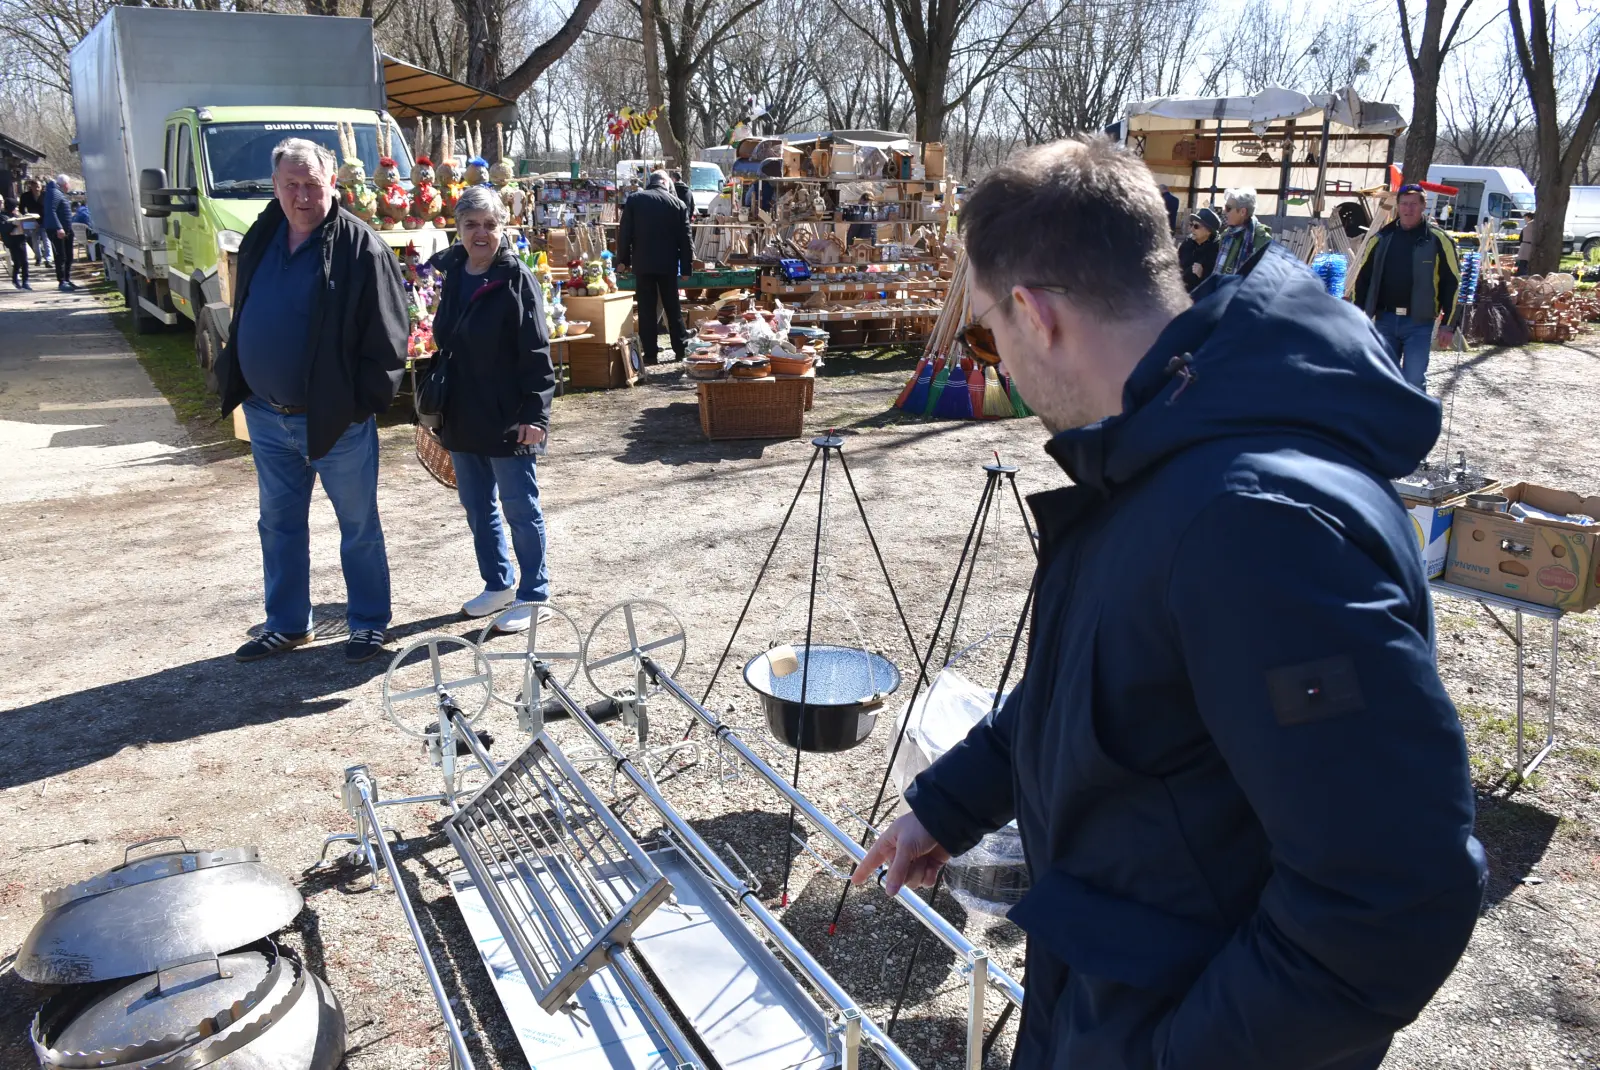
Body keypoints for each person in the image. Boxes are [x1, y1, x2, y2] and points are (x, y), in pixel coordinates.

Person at [852, 136, 1484, 1070]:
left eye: (987, 333)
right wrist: (950, 805)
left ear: (1034, 312)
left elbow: (1389, 898)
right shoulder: (1160, 455)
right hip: (1113, 990)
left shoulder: (1254, 525)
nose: (1001, 361)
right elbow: (1108, 682)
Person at [214, 138, 408, 664]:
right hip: (266, 415)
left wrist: (359, 404)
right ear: (275, 188)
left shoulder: (360, 246)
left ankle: (368, 624)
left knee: (358, 526)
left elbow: (390, 337)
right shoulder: (263, 234)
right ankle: (287, 624)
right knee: (277, 525)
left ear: (332, 185)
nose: (302, 196)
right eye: (290, 185)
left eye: (312, 185)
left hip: (335, 420)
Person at [431, 185, 557, 632]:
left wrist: (535, 414)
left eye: (489, 224)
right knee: (476, 505)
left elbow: (537, 352)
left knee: (520, 507)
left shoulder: (517, 278)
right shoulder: (453, 272)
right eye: (471, 225)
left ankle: (534, 592)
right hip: (463, 411)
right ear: (458, 229)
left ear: (503, 228)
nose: (480, 233)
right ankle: (498, 583)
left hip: (508, 413)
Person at [1352, 183, 1461, 390]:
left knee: (1413, 380)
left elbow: (1452, 282)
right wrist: (1357, 316)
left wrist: (1448, 324)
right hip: (1385, 320)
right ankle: (1386, 422)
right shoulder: (1381, 238)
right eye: (1404, 204)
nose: (1408, 209)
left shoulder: (1438, 240)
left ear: (1423, 207)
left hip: (1419, 324)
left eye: (1413, 204)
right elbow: (1363, 279)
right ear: (1398, 207)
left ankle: (1414, 421)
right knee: (1384, 379)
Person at [617, 169, 692, 364]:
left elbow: (625, 233)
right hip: (668, 263)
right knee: (672, 307)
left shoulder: (635, 200)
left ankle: (650, 353)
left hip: (643, 262)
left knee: (646, 309)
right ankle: (680, 349)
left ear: (651, 182)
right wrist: (686, 268)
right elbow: (685, 239)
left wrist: (622, 261)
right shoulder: (678, 204)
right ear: (667, 183)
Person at [1213, 186, 1271, 275]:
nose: (1224, 212)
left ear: (1242, 212)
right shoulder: (1226, 235)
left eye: (1228, 208)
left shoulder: (1263, 240)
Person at [40, 174, 75, 290]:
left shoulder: (58, 193)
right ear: (65, 184)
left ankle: (67, 279)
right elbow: (51, 211)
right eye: (69, 183)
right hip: (57, 231)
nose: (69, 186)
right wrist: (59, 227)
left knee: (68, 255)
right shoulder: (54, 193)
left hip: (66, 230)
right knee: (61, 256)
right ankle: (62, 281)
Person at [1177, 206, 1221, 293]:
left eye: (1196, 226)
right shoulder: (1187, 243)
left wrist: (1203, 274)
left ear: (1209, 231)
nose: (1191, 229)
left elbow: (1216, 282)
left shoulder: (1216, 250)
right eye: (1191, 224)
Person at [2, 197, 33, 290]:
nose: (16, 208)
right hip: (12, 242)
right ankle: (15, 279)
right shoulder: (3, 216)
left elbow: (25, 224)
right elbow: (5, 228)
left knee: (24, 262)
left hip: (21, 239)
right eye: (15, 206)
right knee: (17, 262)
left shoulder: (18, 214)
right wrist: (13, 223)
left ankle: (25, 281)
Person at [18, 179, 48, 267]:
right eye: (35, 187)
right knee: (35, 241)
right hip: (32, 221)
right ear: (31, 187)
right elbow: (21, 208)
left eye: (38, 186)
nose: (37, 188)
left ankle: (48, 259)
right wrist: (27, 216)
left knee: (46, 241)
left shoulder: (45, 195)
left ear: (41, 187)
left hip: (44, 221)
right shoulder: (26, 196)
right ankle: (38, 258)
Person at [1515, 211, 1539, 276]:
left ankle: (1521, 275)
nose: (1525, 219)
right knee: (1525, 263)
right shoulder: (1534, 225)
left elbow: (1520, 238)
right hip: (1528, 246)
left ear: (1528, 217)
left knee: (1523, 263)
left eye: (1525, 217)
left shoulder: (1528, 226)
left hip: (1526, 246)